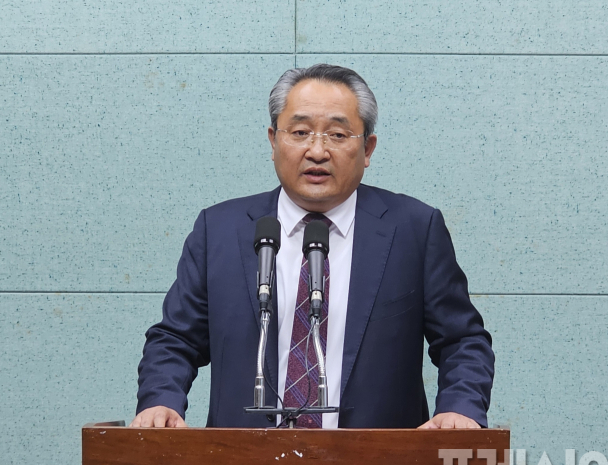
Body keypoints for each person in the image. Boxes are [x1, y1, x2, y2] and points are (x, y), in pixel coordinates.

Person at [131, 64, 494, 430]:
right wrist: (161, 402)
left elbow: (462, 340)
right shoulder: (220, 230)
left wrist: (460, 408)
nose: (317, 151)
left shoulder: (414, 229)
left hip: (377, 462)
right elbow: (175, 339)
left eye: (337, 134)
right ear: (273, 141)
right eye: (300, 132)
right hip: (241, 461)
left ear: (367, 148)